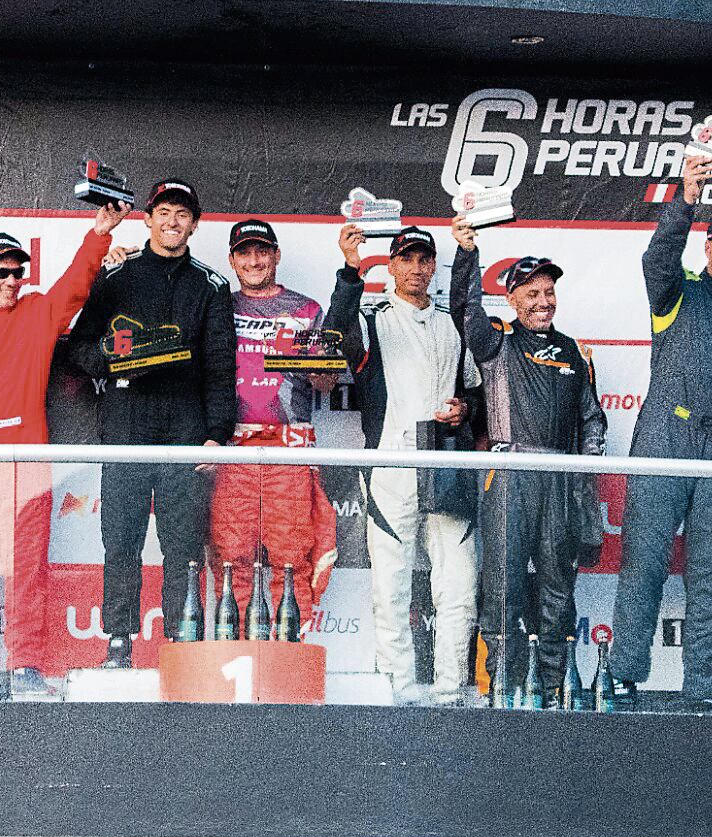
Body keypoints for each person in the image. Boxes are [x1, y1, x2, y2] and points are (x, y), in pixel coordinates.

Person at [608, 152, 712, 715]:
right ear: (708, 249)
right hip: (666, 437)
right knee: (645, 562)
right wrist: (686, 198)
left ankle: (703, 693)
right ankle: (624, 679)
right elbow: (657, 255)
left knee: (708, 577)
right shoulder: (676, 290)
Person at [0, 202, 125, 691]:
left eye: (17, 271)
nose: (11, 280)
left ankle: (25, 664)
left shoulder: (39, 313)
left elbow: (76, 284)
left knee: (27, 572)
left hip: (27, 463)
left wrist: (99, 234)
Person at [68, 180, 235, 668]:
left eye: (182, 214)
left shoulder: (211, 286)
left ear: (195, 224)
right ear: (147, 218)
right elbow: (79, 349)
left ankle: (184, 645)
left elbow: (221, 368)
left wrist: (215, 433)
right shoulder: (116, 276)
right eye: (163, 212)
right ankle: (118, 642)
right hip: (126, 423)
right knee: (120, 540)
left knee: (183, 545)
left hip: (185, 427)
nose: (172, 222)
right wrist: (114, 361)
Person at [450, 217, 606, 704]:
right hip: (510, 477)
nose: (544, 301)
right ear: (513, 299)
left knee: (559, 591)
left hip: (562, 480)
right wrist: (467, 253)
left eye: (549, 292)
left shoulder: (575, 351)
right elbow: (464, 309)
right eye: (533, 293)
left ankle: (555, 687)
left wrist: (590, 471)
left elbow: (592, 419)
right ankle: (498, 687)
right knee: (502, 587)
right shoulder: (498, 340)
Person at [323, 223, 479, 704]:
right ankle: (397, 691)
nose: (415, 267)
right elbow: (333, 335)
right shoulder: (372, 320)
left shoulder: (455, 322)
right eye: (406, 258)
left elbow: (475, 390)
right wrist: (350, 270)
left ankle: (452, 694)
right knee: (390, 588)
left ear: (434, 266)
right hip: (391, 466)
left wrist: (465, 410)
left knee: (458, 587)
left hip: (447, 464)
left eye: (423, 259)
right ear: (390, 265)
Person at [207, 219, 338, 630]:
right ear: (231, 260)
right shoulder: (217, 306)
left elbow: (327, 382)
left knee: (291, 558)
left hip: (289, 448)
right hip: (233, 449)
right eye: (244, 253)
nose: (254, 260)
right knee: (231, 557)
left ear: (277, 255)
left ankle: (288, 657)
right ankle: (236, 656)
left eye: (262, 251)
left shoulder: (308, 310)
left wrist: (316, 362)